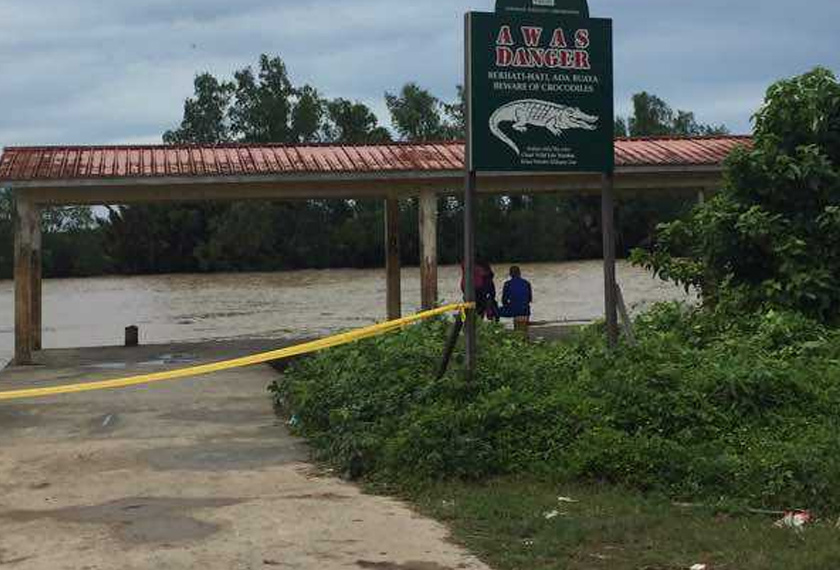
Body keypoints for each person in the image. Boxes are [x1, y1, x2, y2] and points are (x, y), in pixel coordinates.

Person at [500, 266, 532, 336]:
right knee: (522, 331)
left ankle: (495, 327)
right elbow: (529, 299)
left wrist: (509, 306)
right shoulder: (527, 283)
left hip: (514, 310)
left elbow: (504, 300)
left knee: (496, 310)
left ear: (510, 274)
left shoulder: (507, 284)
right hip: (525, 310)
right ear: (520, 273)